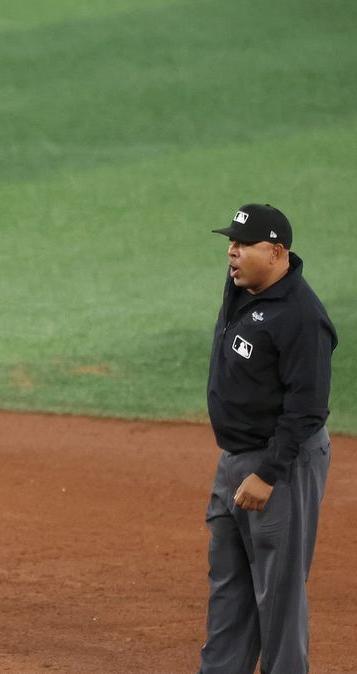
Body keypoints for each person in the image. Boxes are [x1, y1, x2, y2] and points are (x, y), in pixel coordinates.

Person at [199, 204, 337, 673]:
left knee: (278, 598)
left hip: (279, 466)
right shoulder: (244, 288)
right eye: (230, 243)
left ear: (277, 252)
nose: (232, 253)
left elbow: (308, 409)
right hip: (233, 459)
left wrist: (267, 473)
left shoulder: (301, 317)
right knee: (229, 590)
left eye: (243, 245)